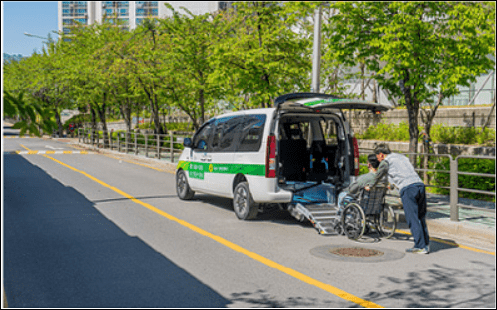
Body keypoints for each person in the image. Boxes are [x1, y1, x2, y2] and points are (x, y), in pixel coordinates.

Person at [366, 144, 430, 254]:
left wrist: (370, 186)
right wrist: (391, 185)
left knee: (412, 218)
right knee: (420, 217)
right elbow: (400, 173)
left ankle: (420, 246)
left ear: (381, 154)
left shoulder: (386, 162)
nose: (378, 160)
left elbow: (378, 176)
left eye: (377, 157)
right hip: (419, 185)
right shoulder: (401, 157)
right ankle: (425, 244)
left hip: (408, 189)